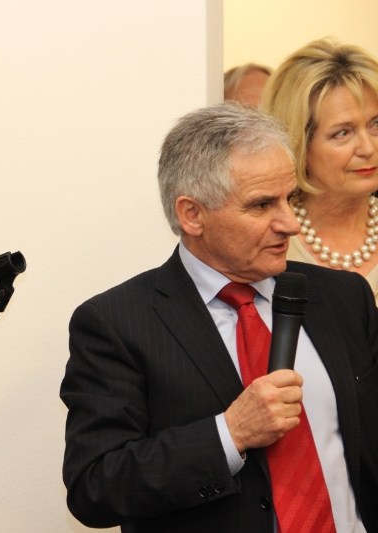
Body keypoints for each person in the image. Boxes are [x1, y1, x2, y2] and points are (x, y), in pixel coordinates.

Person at [61, 103, 378, 532]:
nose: (290, 224)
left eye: (289, 199)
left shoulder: (343, 296)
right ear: (192, 215)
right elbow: (96, 486)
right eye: (262, 204)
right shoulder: (117, 323)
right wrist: (230, 433)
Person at [262, 39, 378, 302]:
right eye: (343, 133)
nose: (368, 147)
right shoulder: (269, 241)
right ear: (299, 144)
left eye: (376, 124)